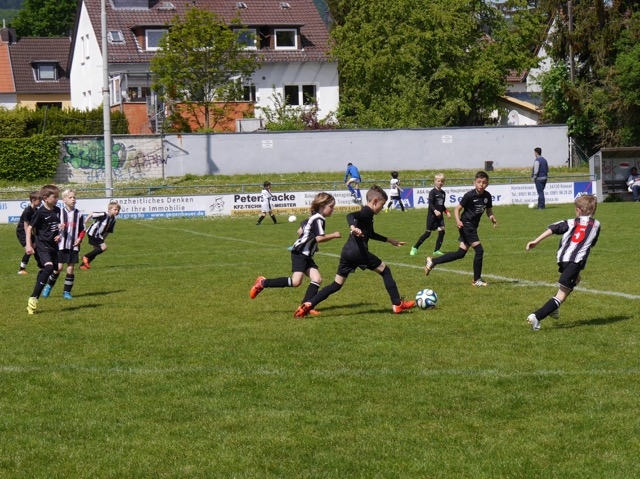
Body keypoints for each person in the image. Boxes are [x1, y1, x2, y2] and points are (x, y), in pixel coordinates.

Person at [294, 185, 416, 318]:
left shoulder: (368, 215)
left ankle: (308, 304)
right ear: (375, 201)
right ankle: (397, 304)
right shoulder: (366, 212)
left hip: (347, 252)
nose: (382, 208)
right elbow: (350, 215)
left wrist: (390, 240)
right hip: (358, 252)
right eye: (382, 205)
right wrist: (352, 227)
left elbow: (371, 233)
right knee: (385, 271)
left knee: (336, 284)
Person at [249, 193, 341, 315]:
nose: (332, 209)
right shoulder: (319, 219)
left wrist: (312, 245)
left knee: (317, 279)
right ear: (322, 205)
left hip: (305, 254)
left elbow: (300, 231)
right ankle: (262, 283)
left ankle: (306, 306)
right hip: (300, 253)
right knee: (296, 282)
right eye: (331, 207)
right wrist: (334, 235)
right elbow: (319, 238)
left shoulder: (313, 218)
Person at [525, 194, 601, 331]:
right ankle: (537, 316)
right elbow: (592, 243)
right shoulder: (596, 225)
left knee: (577, 279)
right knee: (561, 294)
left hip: (562, 259)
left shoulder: (570, 222)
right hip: (575, 262)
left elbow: (553, 229)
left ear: (578, 210)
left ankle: (554, 308)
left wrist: (536, 241)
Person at [424, 171, 498, 287]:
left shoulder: (487, 196)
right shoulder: (469, 195)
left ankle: (433, 261)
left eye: (484, 182)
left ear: (487, 184)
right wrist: (458, 220)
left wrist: (491, 217)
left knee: (460, 253)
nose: (481, 184)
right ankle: (477, 279)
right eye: (479, 182)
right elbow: (457, 209)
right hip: (466, 225)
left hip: (473, 226)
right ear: (474, 183)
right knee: (479, 251)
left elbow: (488, 210)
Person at [41, 189, 85, 300]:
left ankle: (67, 292)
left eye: (74, 197)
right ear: (64, 200)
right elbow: (53, 226)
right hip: (61, 245)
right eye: (70, 197)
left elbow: (82, 229)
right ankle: (49, 286)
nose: (73, 199)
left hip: (73, 245)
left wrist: (79, 238)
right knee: (59, 268)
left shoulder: (79, 214)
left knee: (70, 268)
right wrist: (57, 234)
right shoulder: (59, 212)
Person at [25, 184, 61, 314]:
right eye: (55, 197)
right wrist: (29, 245)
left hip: (53, 245)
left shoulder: (57, 210)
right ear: (45, 198)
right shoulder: (40, 212)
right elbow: (29, 228)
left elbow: (57, 227)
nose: (57, 199)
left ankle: (40, 280)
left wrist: (59, 234)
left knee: (56, 268)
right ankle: (33, 298)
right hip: (42, 245)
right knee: (49, 267)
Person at [410, 173, 451, 256]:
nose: (440, 183)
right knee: (427, 234)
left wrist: (447, 212)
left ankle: (436, 250)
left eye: (442, 181)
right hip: (432, 217)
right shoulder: (432, 192)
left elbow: (442, 205)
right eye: (438, 181)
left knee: (442, 232)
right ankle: (415, 247)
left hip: (440, 217)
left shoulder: (443, 193)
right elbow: (430, 204)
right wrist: (435, 211)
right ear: (435, 181)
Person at [80, 200, 121, 270]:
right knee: (104, 247)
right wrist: (84, 222)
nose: (117, 211)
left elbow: (108, 231)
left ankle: (83, 266)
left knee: (96, 250)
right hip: (93, 233)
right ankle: (86, 256)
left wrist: (103, 239)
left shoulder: (113, 219)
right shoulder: (104, 214)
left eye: (118, 210)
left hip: (98, 235)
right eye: (115, 209)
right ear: (109, 209)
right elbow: (92, 214)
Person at [16, 190, 42, 274]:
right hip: (22, 232)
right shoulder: (27, 211)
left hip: (28, 232)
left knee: (35, 247)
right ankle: (21, 269)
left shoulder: (36, 210)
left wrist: (35, 236)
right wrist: (29, 239)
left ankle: (41, 266)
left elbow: (34, 225)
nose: (41, 202)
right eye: (39, 200)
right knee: (30, 249)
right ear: (33, 200)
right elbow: (26, 226)